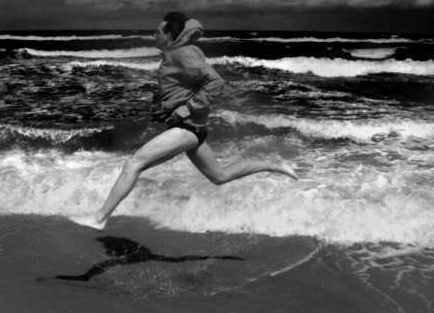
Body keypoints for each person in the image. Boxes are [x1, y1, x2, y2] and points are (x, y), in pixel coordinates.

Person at [70, 12, 297, 231]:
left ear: (170, 34)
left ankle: (100, 217)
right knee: (220, 176)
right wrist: (167, 106)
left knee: (133, 164)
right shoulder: (175, 54)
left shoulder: (182, 53)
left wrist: (187, 107)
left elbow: (216, 82)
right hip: (192, 130)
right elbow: (183, 87)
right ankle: (273, 164)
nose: (154, 35)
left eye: (158, 32)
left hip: (187, 129)